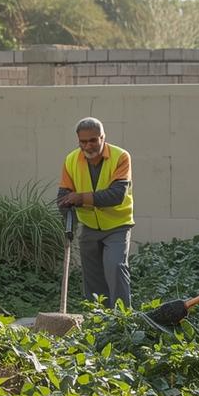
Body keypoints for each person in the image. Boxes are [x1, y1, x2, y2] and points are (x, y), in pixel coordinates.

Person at [57, 117, 133, 308]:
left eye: (93, 140)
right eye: (83, 142)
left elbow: (117, 195)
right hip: (89, 227)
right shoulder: (71, 159)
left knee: (115, 267)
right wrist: (68, 217)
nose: (88, 146)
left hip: (117, 226)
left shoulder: (121, 157)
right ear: (78, 141)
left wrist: (80, 198)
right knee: (92, 278)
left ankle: (123, 318)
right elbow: (63, 196)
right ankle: (98, 320)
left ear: (102, 137)